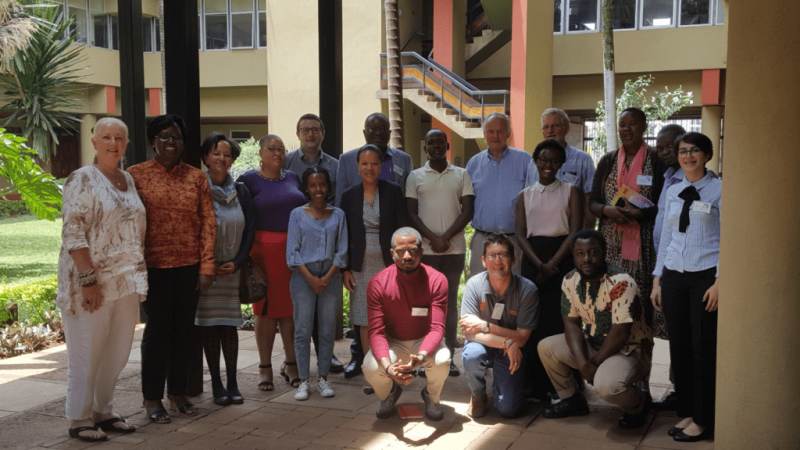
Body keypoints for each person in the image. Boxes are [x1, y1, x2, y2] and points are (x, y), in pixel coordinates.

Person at [57, 118, 146, 442]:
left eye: (119, 137)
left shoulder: (127, 179)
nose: (113, 143)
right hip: (90, 281)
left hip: (124, 282)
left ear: (126, 143)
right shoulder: (83, 178)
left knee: (117, 352)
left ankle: (103, 411)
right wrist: (87, 278)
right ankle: (79, 418)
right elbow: (73, 230)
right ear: (94, 143)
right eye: (106, 137)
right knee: (87, 353)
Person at [128, 114, 216, 424]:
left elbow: (208, 223)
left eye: (176, 137)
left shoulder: (196, 178)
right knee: (157, 332)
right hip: (152, 267)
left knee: (184, 332)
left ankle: (178, 393)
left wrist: (207, 267)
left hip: (189, 266)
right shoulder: (134, 176)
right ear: (153, 140)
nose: (170, 142)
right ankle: (152, 398)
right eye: (164, 136)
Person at [538, 230, 653, 429]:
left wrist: (594, 364)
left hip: (628, 349)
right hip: (593, 341)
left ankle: (639, 403)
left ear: (604, 252)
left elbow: (620, 333)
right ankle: (571, 400)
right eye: (580, 254)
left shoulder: (622, 282)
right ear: (573, 256)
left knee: (606, 386)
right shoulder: (569, 280)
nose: (586, 259)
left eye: (592, 252)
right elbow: (571, 323)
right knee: (546, 347)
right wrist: (583, 364)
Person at [651, 132, 721, 443]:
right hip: (674, 275)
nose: (687, 156)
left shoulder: (720, 190)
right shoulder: (674, 190)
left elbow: (728, 239)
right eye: (683, 151)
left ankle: (705, 419)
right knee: (678, 347)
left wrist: (721, 280)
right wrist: (658, 278)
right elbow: (667, 237)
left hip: (705, 277)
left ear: (706, 155)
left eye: (694, 151)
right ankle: (689, 412)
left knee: (702, 348)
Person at [336, 113, 412, 378]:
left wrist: (403, 263)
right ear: (357, 166)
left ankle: (389, 364)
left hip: (388, 263)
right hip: (359, 265)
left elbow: (403, 228)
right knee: (365, 319)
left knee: (389, 316)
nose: (369, 168)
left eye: (374, 164)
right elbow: (343, 234)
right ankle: (372, 370)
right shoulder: (348, 197)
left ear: (381, 166)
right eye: (364, 164)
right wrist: (344, 268)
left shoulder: (392, 191)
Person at [588, 107, 664, 367]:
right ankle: (610, 366)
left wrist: (640, 214)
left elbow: (664, 204)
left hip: (643, 248)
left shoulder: (656, 160)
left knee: (640, 310)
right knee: (611, 306)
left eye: (633, 124)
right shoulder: (608, 160)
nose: (626, 129)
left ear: (643, 126)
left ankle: (640, 374)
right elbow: (593, 203)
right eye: (622, 125)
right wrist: (607, 210)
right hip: (610, 245)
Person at [515, 139, 582, 401]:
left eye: (554, 160)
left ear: (561, 163)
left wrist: (553, 263)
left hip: (563, 257)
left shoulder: (570, 191)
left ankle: (562, 383)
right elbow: (520, 235)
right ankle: (534, 383)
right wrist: (540, 265)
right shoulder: (525, 195)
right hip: (533, 258)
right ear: (535, 161)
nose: (548, 165)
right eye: (543, 159)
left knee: (559, 318)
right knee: (533, 319)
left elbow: (575, 231)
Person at [362, 228, 451, 421]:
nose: (407, 256)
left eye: (412, 250)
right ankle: (389, 393)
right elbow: (376, 332)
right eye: (401, 251)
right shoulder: (377, 283)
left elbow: (437, 328)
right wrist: (388, 368)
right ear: (392, 252)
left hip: (424, 341)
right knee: (370, 366)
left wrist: (421, 356)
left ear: (421, 251)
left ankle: (432, 396)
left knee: (442, 360)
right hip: (394, 341)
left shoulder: (437, 280)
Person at [237, 135, 304, 391]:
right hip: (263, 253)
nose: (277, 153)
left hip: (292, 252)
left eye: (281, 150)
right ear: (261, 153)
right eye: (271, 149)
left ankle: (291, 363)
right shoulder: (248, 180)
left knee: (290, 310)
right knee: (264, 311)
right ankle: (264, 366)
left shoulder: (293, 178)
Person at [406, 129, 474, 378]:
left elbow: (467, 211)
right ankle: (424, 358)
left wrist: (444, 238)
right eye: (430, 142)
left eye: (440, 142)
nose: (435, 145)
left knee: (448, 305)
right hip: (425, 252)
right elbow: (411, 213)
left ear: (447, 146)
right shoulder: (415, 177)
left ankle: (447, 358)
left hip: (453, 251)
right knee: (423, 304)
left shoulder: (462, 174)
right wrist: (432, 239)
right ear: (426, 147)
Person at [195, 132, 256, 406]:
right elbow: (192, 230)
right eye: (216, 153)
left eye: (227, 154)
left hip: (233, 270)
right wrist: (207, 264)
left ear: (232, 160)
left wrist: (238, 261)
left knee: (229, 327)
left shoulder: (240, 190)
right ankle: (217, 384)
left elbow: (250, 229)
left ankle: (232, 382)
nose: (222, 158)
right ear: (206, 157)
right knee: (209, 327)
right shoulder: (198, 188)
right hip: (207, 272)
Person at [284, 113, 344, 374]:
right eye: (305, 130)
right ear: (297, 134)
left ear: (323, 133)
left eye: (315, 129)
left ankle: (325, 358)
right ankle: (295, 363)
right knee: (300, 315)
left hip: (327, 237)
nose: (310, 134)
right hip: (296, 242)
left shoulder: (336, 165)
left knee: (326, 316)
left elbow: (338, 200)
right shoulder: (286, 163)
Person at [459, 233, 539, 419]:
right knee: (472, 354)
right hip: (491, 346)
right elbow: (469, 334)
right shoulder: (474, 285)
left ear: (513, 260)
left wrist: (485, 326)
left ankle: (502, 387)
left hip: (511, 350)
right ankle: (478, 394)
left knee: (508, 410)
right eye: (492, 256)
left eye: (503, 255)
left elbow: (521, 338)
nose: (497, 260)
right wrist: (507, 342)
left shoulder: (527, 290)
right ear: (484, 261)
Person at [286, 167, 348, 401]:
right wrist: (311, 278)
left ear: (328, 186)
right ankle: (303, 381)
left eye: (322, 184)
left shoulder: (339, 215)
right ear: (306, 188)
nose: (318, 189)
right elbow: (292, 252)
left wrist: (327, 276)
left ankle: (323, 379)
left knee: (326, 330)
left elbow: (341, 252)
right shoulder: (297, 215)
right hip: (304, 276)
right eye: (313, 185)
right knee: (302, 330)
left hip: (331, 276)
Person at [466, 112, 530, 277]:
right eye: (491, 131)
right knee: (480, 290)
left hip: (514, 240)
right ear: (484, 133)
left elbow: (533, 200)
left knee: (513, 290)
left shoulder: (525, 161)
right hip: (482, 239)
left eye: (500, 131)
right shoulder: (473, 164)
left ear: (508, 133)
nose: (495, 136)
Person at [650, 123, 686, 412]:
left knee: (683, 333)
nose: (664, 151)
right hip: (667, 264)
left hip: (686, 268)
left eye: (669, 145)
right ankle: (678, 389)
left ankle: (684, 392)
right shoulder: (668, 177)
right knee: (675, 331)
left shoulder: (694, 180)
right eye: (659, 146)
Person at [526, 109, 596, 229]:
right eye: (545, 127)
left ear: (566, 128)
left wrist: (587, 234)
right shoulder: (532, 163)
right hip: (539, 232)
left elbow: (590, 201)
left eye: (555, 126)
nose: (550, 131)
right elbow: (528, 201)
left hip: (571, 233)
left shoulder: (583, 160)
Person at [335, 112, 413, 206]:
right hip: (358, 218)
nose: (378, 133)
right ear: (364, 132)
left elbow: (409, 198)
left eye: (383, 128)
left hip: (393, 218)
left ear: (390, 132)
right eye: (373, 129)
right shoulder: (346, 160)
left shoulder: (404, 159)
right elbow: (340, 199)